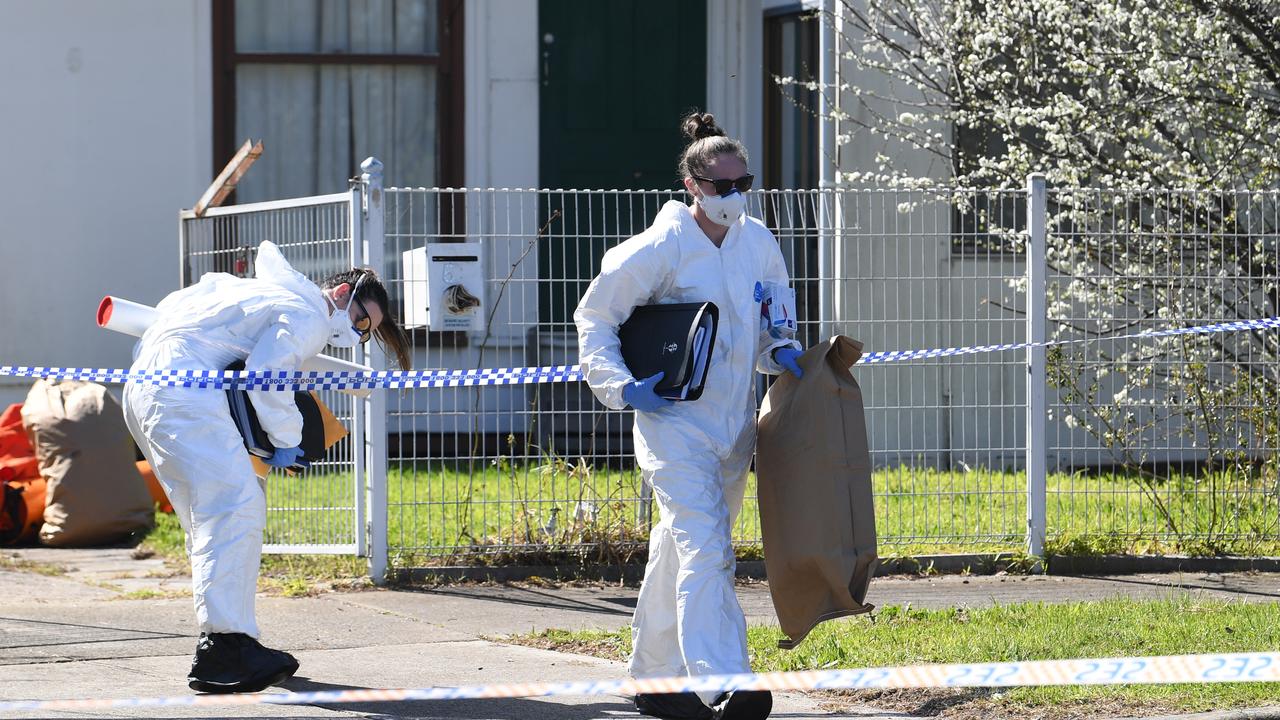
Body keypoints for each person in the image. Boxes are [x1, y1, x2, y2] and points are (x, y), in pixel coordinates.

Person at [574, 112, 804, 720]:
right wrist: (623, 388)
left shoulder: (758, 242)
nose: (735, 196)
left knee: (678, 550)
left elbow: (775, 312)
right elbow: (595, 318)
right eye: (723, 186)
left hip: (733, 427)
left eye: (743, 183)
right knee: (707, 548)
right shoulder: (658, 248)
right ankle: (725, 682)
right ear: (693, 187)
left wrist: (781, 348)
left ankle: (652, 680)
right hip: (670, 424)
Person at [121, 240, 411, 694]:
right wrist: (287, 441)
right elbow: (268, 375)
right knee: (236, 508)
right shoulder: (307, 312)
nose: (356, 333)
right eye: (360, 320)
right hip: (185, 398)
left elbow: (173, 318)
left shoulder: (240, 289)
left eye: (365, 331)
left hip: (145, 390)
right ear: (340, 293)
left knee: (209, 520)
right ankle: (226, 649)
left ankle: (224, 641)